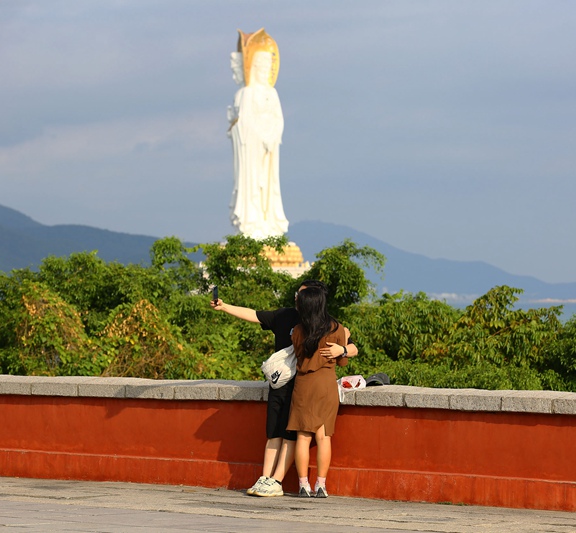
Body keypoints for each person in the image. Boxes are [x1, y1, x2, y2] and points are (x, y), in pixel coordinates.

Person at [210, 280, 356, 497]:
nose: (298, 297)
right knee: (291, 434)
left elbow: (345, 347)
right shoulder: (323, 324)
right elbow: (255, 315)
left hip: (301, 386)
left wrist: (343, 348)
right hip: (303, 385)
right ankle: (283, 480)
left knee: (296, 436)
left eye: (302, 294)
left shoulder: (306, 328)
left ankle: (287, 481)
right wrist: (225, 306)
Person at [287, 286, 354, 498]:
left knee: (303, 437)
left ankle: (303, 485)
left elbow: (298, 354)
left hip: (304, 385)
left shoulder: (298, 330)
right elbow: (343, 361)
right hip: (326, 384)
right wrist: (344, 340)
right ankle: (321, 485)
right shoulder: (336, 328)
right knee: (324, 437)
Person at [227, 28, 289, 240]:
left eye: (268, 66)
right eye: (260, 66)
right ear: (252, 67)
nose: (264, 70)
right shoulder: (245, 94)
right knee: (252, 185)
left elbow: (279, 120)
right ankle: (251, 225)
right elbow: (242, 124)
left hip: (268, 149)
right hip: (251, 149)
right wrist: (258, 134)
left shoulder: (272, 93)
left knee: (269, 189)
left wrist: (270, 136)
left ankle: (269, 227)